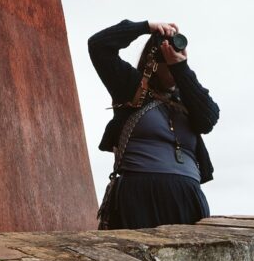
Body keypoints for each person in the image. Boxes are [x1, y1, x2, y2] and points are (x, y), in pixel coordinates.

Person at [88, 19, 219, 229]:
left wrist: (181, 69)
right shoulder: (132, 86)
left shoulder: (186, 96)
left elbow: (208, 120)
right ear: (154, 60)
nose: (172, 67)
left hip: (187, 198)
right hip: (140, 196)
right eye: (167, 61)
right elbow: (98, 45)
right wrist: (146, 26)